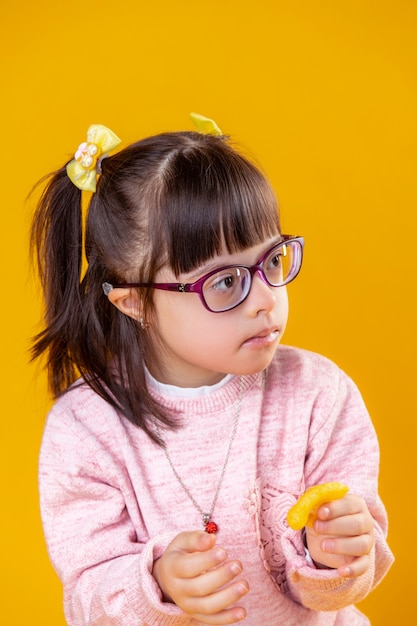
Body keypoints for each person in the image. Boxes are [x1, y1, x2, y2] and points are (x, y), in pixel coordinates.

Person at [31, 116, 394, 626]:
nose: (266, 301)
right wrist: (157, 582)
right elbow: (89, 596)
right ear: (133, 302)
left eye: (272, 262)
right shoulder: (86, 429)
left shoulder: (318, 394)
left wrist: (341, 554)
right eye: (225, 282)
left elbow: (345, 584)